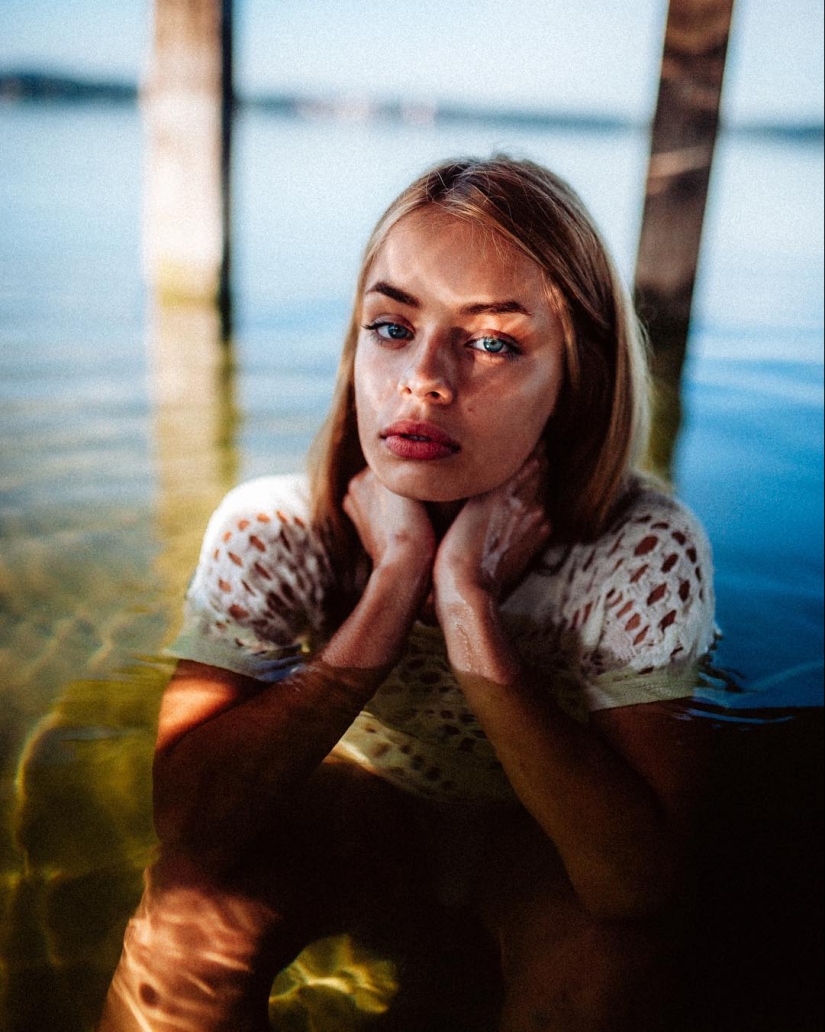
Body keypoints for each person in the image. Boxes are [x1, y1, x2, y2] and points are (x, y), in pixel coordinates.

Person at [99, 155, 716, 1032]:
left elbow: (631, 887)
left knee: (610, 962)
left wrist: (465, 607)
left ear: (575, 377)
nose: (423, 378)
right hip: (356, 810)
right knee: (184, 921)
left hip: (532, 835)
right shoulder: (273, 528)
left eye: (492, 340)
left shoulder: (642, 549)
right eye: (392, 327)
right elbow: (192, 833)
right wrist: (391, 589)